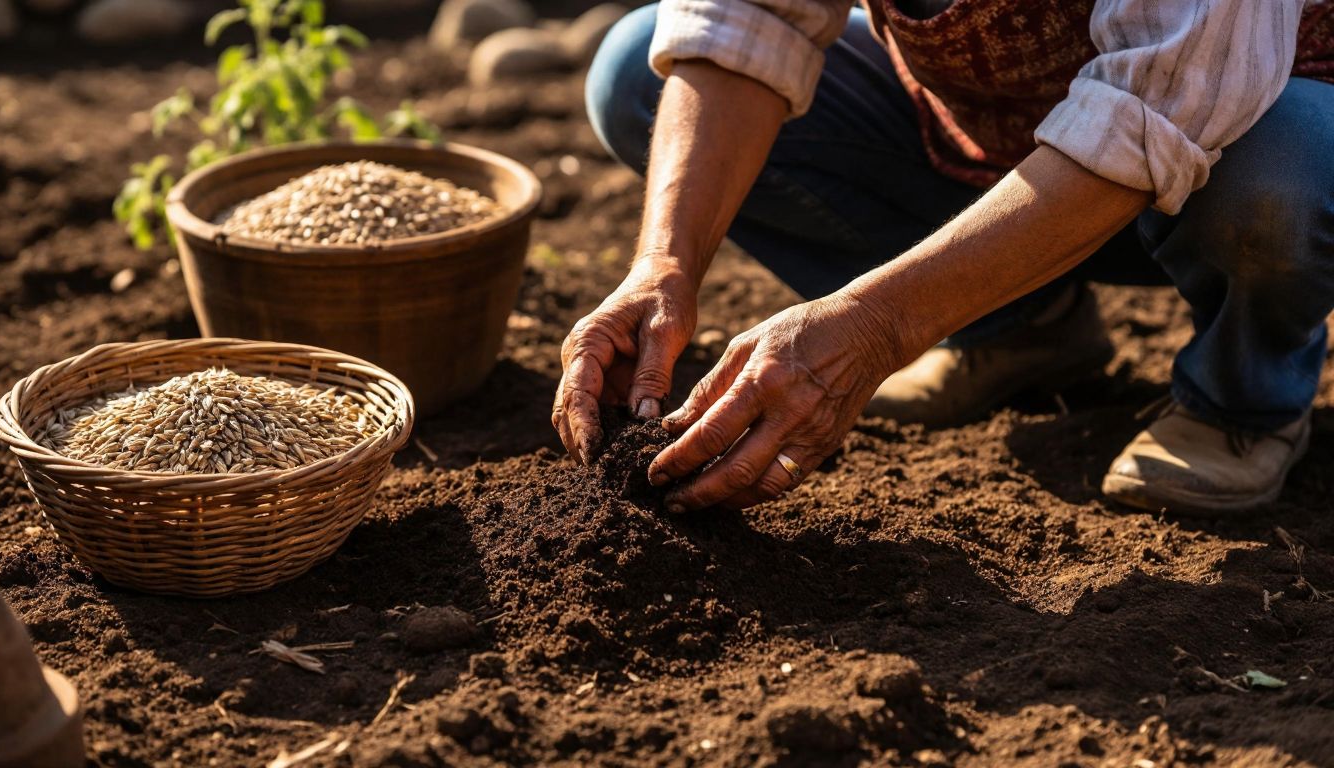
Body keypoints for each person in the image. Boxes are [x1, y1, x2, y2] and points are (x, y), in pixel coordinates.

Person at [552, 0, 1334, 515]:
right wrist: (664, 265)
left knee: (1278, 178)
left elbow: (1157, 109)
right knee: (638, 79)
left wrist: (876, 325)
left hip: (1230, 147)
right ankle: (1019, 326)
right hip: (994, 148)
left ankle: (1242, 397)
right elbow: (749, 18)